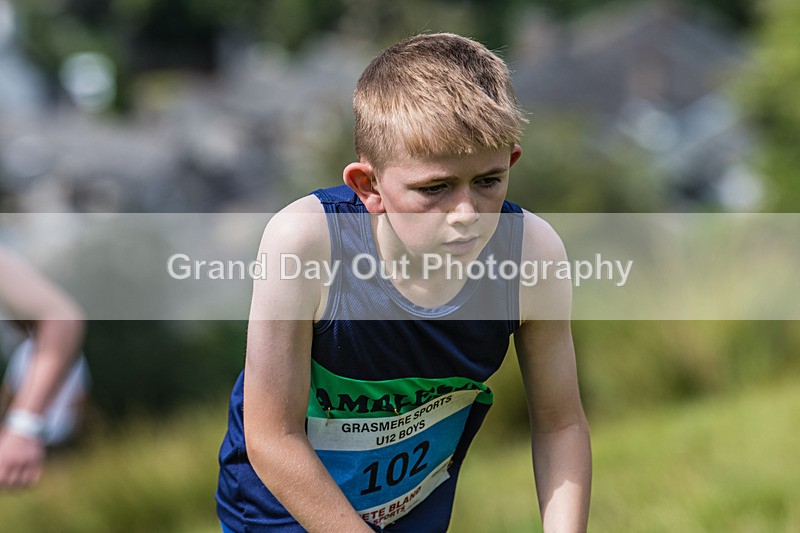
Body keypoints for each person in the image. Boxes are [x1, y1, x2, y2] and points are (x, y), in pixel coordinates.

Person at [216, 33, 591, 532]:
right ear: (367, 186)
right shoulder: (304, 243)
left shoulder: (531, 254)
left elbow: (560, 424)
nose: (466, 214)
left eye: (488, 181)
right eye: (434, 188)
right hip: (281, 516)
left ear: (511, 163)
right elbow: (273, 437)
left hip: (414, 512)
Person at [0, 245, 85, 489]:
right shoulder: (27, 352)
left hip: (47, 436)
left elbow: (10, 390)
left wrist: (20, 426)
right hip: (47, 435)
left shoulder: (26, 353)